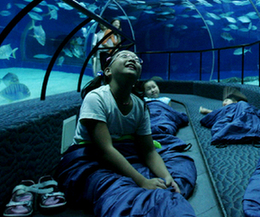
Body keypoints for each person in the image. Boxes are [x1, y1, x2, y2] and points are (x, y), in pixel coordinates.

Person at [56, 50, 196, 216]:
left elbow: (149, 150)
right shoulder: (96, 98)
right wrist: (143, 181)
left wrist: (167, 178)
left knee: (182, 164)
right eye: (124, 56)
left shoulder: (140, 104)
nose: (132, 59)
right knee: (123, 195)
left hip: (127, 154)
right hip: (92, 159)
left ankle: (161, 194)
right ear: (108, 71)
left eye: (136, 59)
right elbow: (104, 150)